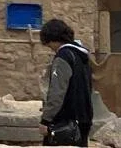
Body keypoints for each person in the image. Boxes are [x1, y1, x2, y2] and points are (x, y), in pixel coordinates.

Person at [38, 19, 93, 147]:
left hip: (65, 122)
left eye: (48, 43)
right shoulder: (81, 55)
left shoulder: (63, 57)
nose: (49, 48)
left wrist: (46, 120)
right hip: (83, 118)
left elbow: (57, 93)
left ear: (52, 39)